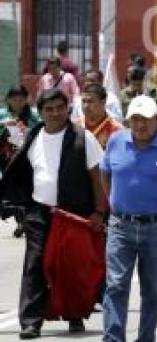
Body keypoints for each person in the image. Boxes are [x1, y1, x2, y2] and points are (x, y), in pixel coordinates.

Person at [0, 88, 107, 339]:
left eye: (60, 108)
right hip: (39, 212)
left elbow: (97, 177)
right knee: (35, 263)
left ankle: (74, 315)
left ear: (67, 108)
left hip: (73, 214)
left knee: (69, 266)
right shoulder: (33, 136)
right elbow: (20, 169)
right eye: (49, 109)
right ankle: (31, 321)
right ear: (41, 112)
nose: (55, 113)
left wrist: (99, 211)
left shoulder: (83, 138)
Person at [100, 96, 157, 342]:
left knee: (151, 291)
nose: (141, 125)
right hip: (120, 227)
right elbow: (105, 172)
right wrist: (112, 204)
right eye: (136, 119)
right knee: (116, 286)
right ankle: (113, 338)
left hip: (155, 230)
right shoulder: (115, 141)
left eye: (146, 120)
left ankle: (145, 338)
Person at [0, 85, 41, 238]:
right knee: (9, 189)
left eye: (21, 99)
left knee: (25, 190)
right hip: (6, 159)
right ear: (8, 100)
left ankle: (23, 221)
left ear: (26, 100)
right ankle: (18, 215)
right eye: (14, 99)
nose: (17, 102)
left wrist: (26, 130)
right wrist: (4, 128)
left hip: (25, 158)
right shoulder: (2, 115)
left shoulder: (33, 116)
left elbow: (39, 131)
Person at [79, 83, 125, 149]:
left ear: (103, 102)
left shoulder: (117, 131)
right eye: (83, 101)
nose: (86, 106)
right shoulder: (74, 126)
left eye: (90, 101)